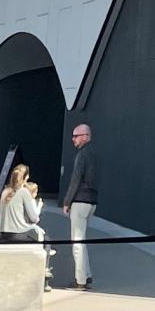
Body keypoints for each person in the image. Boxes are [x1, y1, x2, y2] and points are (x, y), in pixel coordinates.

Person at [59, 122, 97, 289]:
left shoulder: (82, 155)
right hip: (92, 201)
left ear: (85, 136)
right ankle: (87, 276)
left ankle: (80, 280)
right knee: (82, 240)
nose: (73, 139)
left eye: (76, 136)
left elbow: (76, 179)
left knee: (77, 241)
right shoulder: (96, 154)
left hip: (80, 201)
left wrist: (67, 202)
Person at [0, 163, 45, 241]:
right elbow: (33, 218)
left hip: (3, 234)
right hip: (18, 233)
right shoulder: (24, 192)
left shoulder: (5, 191)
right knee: (46, 239)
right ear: (26, 177)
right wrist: (39, 207)